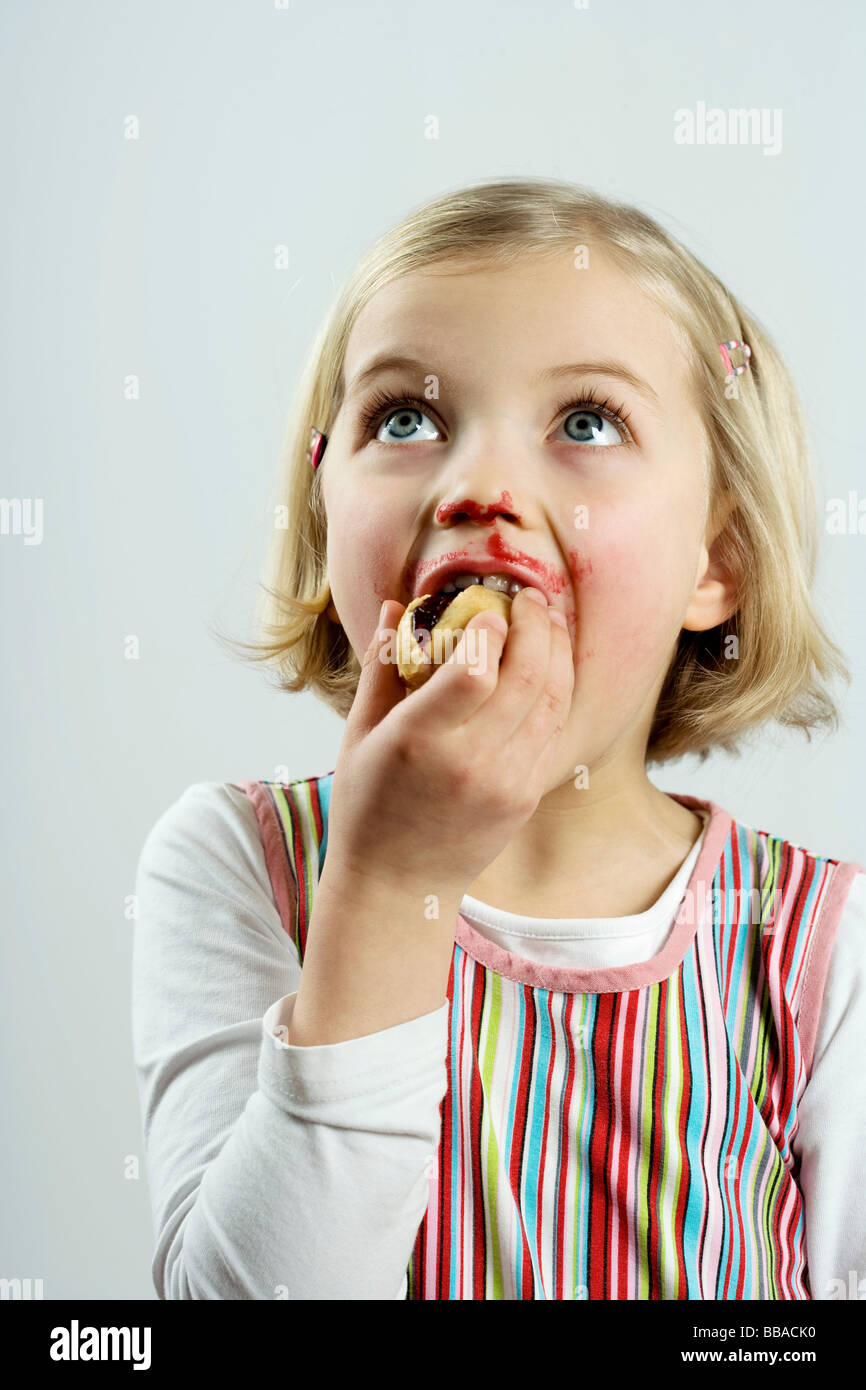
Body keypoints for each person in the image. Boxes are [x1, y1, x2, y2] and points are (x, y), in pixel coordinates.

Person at [131, 178, 866, 1300]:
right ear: (326, 516)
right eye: (406, 418)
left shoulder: (819, 947)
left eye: (584, 422)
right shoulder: (238, 864)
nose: (477, 485)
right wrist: (386, 884)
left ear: (715, 562)